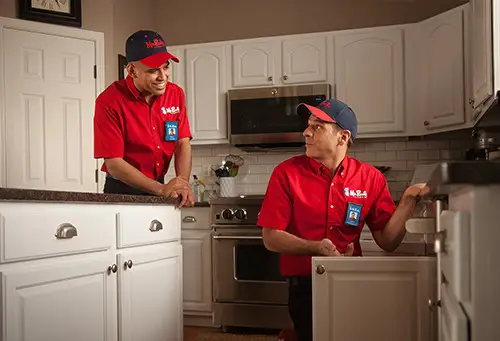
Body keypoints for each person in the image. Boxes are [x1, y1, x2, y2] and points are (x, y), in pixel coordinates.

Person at [257, 99, 429, 341]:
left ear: (342, 137)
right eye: (308, 125)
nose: (306, 132)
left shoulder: (371, 178)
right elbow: (271, 237)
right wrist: (317, 248)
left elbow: (388, 241)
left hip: (351, 280)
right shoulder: (286, 173)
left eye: (317, 127)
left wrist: (409, 200)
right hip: (305, 287)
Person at [94, 30, 194, 207]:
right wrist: (161, 189)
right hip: (121, 190)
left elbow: (182, 143)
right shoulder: (109, 101)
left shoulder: (175, 94)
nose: (163, 76)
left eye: (166, 66)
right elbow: (114, 164)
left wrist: (182, 185)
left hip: (160, 188)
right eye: (153, 70)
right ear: (132, 70)